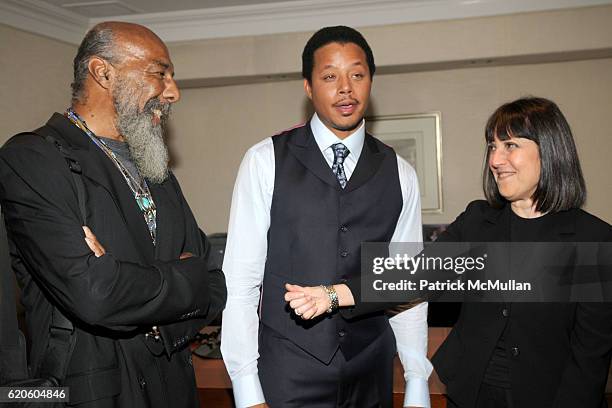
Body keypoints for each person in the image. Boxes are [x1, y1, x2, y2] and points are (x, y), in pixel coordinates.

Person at [288, 97, 612, 407]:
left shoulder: (594, 241)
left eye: (510, 145)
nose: (495, 160)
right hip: (471, 392)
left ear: (551, 151)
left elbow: (588, 361)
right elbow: (415, 275)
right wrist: (332, 295)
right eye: (493, 147)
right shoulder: (478, 222)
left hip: (548, 396)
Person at [0, 22, 226, 407]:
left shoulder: (155, 167)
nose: (173, 92)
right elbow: (95, 294)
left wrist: (125, 278)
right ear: (103, 73)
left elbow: (215, 285)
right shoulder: (34, 158)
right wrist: (183, 276)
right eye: (160, 73)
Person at [221, 26, 431, 408]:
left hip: (371, 368)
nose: (346, 88)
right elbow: (240, 282)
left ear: (371, 81)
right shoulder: (264, 160)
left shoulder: (401, 172)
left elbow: (406, 280)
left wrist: (417, 378)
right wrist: (246, 388)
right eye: (330, 76)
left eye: (357, 74)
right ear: (308, 87)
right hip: (287, 371)